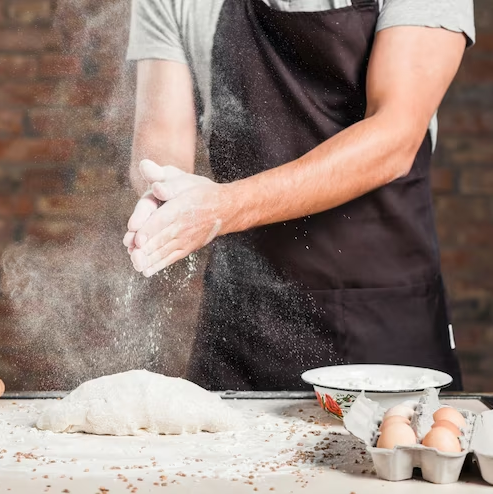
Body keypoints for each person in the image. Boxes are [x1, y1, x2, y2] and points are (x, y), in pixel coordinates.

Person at [122, 0, 476, 391]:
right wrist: (163, 192)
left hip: (382, 321)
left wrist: (224, 207)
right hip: (243, 327)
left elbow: (395, 137)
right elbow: (162, 139)